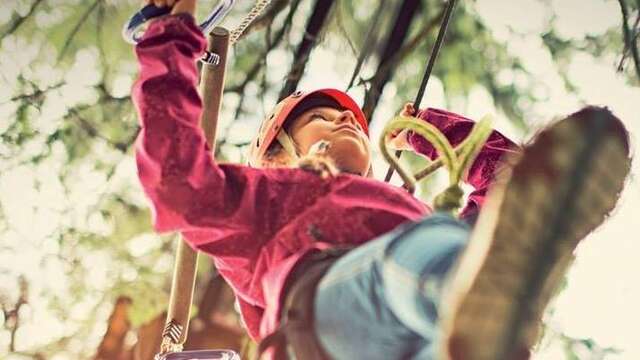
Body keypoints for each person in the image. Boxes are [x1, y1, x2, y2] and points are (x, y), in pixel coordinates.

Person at [133, 1, 631, 359]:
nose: (346, 120)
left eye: (348, 118)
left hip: (433, 330)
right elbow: (178, 179)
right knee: (429, 252)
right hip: (328, 319)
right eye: (322, 119)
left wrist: (435, 130)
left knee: (467, 243)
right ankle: (467, 295)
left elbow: (509, 190)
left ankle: (478, 311)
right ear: (278, 154)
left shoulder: (409, 207)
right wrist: (169, 38)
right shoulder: (265, 200)